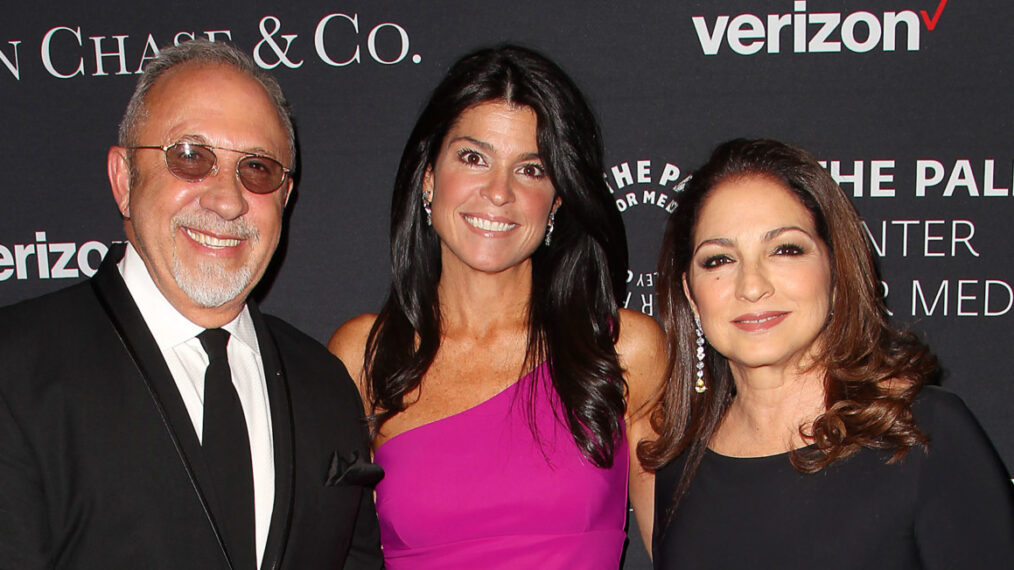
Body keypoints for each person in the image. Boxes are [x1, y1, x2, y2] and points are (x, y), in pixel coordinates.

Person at [0, 40, 382, 569]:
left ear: (285, 197)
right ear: (123, 179)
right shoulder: (15, 370)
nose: (226, 200)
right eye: (189, 157)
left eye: (257, 168)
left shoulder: (324, 384)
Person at [330, 45, 665, 568]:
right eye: (472, 158)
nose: (499, 192)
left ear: (557, 199)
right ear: (428, 177)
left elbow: (690, 543)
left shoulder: (624, 349)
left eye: (531, 169)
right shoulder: (365, 356)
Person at [644, 138, 1014, 568]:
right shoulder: (678, 465)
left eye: (785, 249)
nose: (751, 286)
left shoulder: (922, 435)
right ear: (690, 293)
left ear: (836, 271)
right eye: (719, 260)